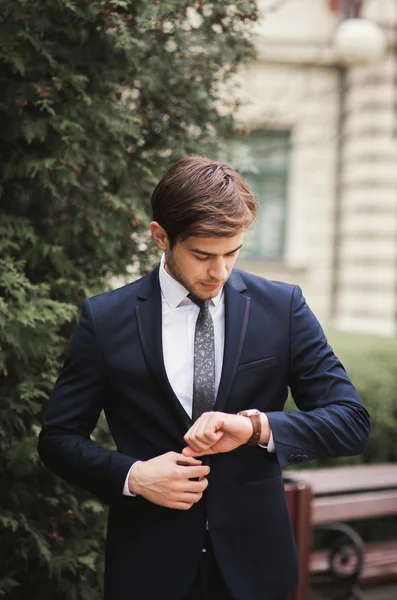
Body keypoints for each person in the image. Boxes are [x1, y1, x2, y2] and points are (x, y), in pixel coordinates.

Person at [38, 156, 370, 600]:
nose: (219, 272)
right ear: (160, 236)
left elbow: (350, 421)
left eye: (231, 253)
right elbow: (58, 438)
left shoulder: (283, 308)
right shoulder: (105, 319)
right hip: (148, 570)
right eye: (202, 255)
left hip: (257, 571)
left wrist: (255, 428)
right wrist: (134, 475)